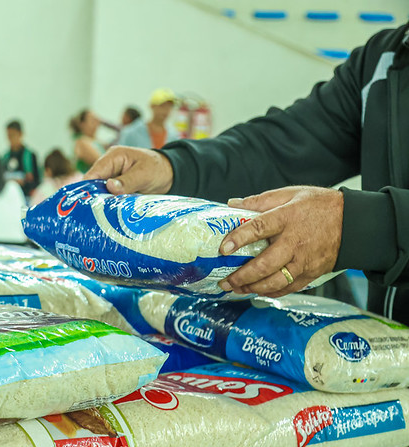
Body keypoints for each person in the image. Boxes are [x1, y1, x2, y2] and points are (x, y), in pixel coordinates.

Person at [86, 23, 409, 324]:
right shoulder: (384, 59)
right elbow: (278, 148)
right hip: (388, 347)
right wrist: (173, 166)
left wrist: (358, 227)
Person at [1, 120, 40, 198]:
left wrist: (23, 182)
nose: (11, 139)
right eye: (9, 135)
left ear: (21, 134)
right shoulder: (4, 158)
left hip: (25, 197)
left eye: (13, 135)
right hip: (8, 197)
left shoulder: (30, 156)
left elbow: (37, 182)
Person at [70, 109, 106, 174]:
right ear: (82, 124)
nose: (97, 123)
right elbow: (101, 163)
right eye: (92, 120)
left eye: (96, 120)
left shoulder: (96, 141)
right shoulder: (82, 142)